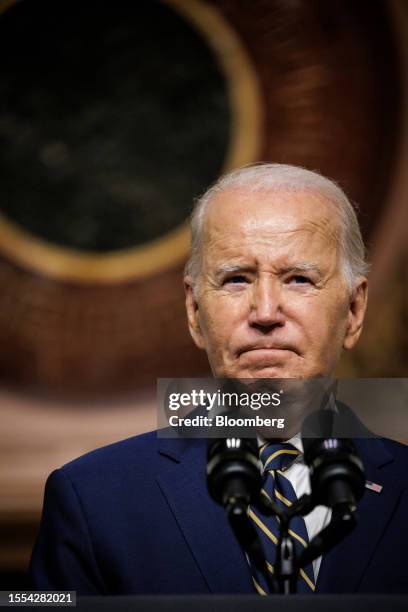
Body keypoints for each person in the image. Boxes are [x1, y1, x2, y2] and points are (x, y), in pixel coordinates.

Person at [30, 163, 408, 594]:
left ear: (355, 311)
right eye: (236, 279)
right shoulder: (92, 499)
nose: (265, 312)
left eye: (299, 279)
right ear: (194, 312)